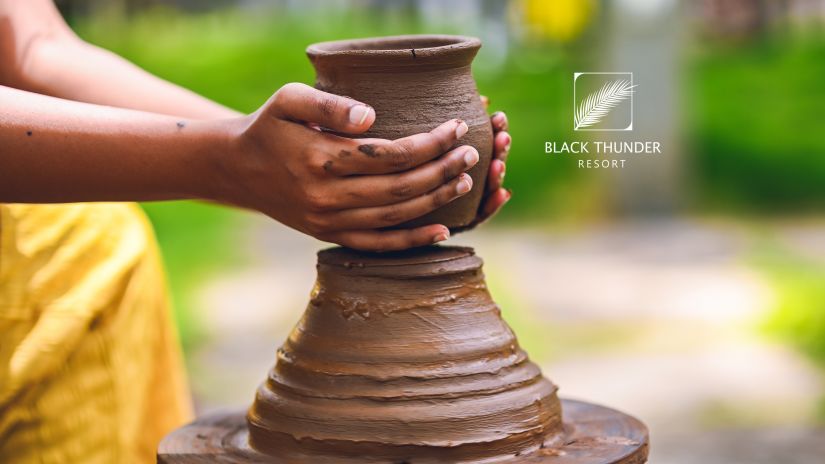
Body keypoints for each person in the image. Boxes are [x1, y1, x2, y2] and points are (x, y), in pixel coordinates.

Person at [0, 1, 512, 462]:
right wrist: (226, 162)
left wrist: (286, 160)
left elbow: (31, 46)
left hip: (67, 270)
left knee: (92, 242)